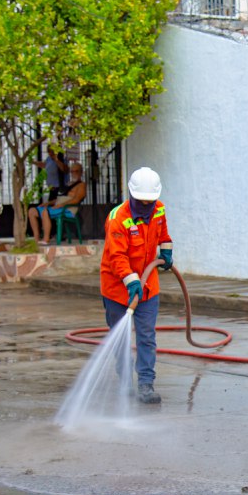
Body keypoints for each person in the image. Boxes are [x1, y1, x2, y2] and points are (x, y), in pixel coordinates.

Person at [100, 167, 173, 405]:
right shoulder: (117, 219)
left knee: (146, 336)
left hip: (148, 286)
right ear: (131, 194)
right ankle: (125, 380)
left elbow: (163, 235)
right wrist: (130, 280)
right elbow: (117, 256)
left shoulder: (159, 209)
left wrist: (166, 252)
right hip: (116, 288)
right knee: (120, 339)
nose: (146, 205)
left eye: (149, 201)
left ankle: (146, 384)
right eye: (141, 201)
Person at [28, 160, 87, 243]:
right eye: (72, 171)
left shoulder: (81, 185)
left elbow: (76, 200)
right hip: (58, 207)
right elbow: (60, 198)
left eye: (76, 171)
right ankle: (36, 239)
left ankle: (46, 239)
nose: (74, 173)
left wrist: (61, 205)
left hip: (68, 209)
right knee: (32, 211)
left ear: (81, 172)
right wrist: (47, 203)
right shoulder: (69, 184)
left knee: (45, 212)